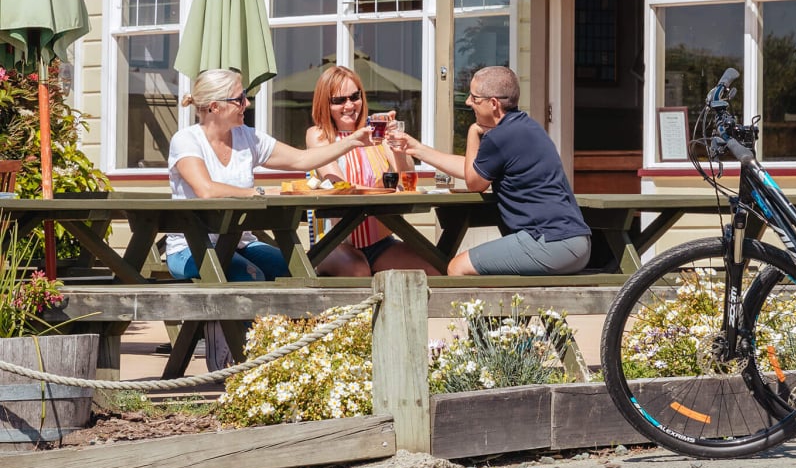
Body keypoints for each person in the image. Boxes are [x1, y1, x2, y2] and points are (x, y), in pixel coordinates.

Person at [165, 67, 375, 284]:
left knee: (298, 272)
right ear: (215, 106)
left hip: (241, 243)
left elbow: (301, 159)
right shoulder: (186, 140)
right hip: (190, 247)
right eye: (239, 99)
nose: (247, 104)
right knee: (249, 276)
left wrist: (352, 141)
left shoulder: (248, 137)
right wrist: (258, 193)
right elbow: (206, 190)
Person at [401, 65, 592, 276]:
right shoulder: (526, 127)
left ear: (493, 103)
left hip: (550, 243)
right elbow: (474, 169)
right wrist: (417, 149)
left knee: (457, 268)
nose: (468, 102)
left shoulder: (499, 137)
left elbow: (474, 183)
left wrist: (473, 132)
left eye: (474, 97)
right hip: (575, 243)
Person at [306, 65, 440, 277]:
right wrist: (384, 191)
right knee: (359, 272)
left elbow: (407, 179)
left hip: (380, 243)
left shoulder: (376, 133)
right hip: (335, 242)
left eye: (354, 97)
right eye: (339, 100)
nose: (349, 105)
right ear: (325, 104)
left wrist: (396, 142)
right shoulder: (319, 135)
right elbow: (340, 186)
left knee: (435, 268)